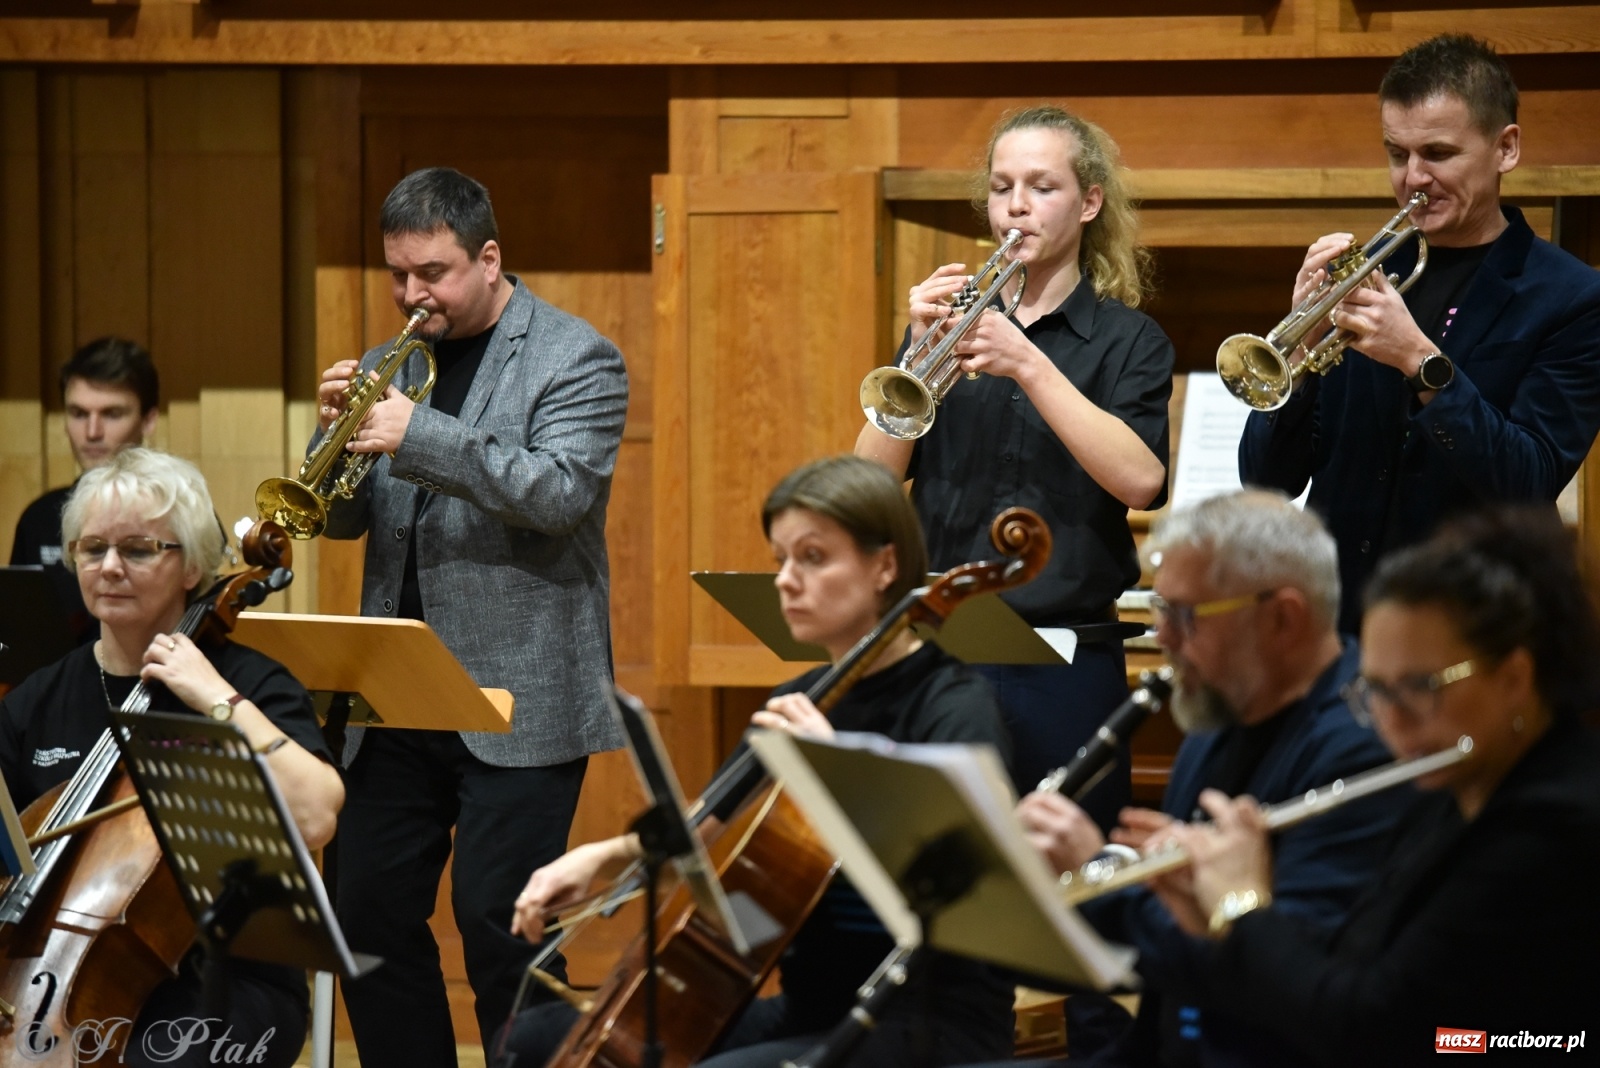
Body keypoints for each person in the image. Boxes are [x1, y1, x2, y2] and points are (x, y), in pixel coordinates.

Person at [497, 455, 1016, 1068]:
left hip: (930, 1017)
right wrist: (602, 858)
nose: (786, 580)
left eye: (814, 558)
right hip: (815, 1006)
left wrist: (841, 777)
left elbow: (973, 894)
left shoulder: (953, 706)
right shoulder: (797, 700)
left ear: (885, 566)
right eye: (781, 560)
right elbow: (701, 837)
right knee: (535, 1040)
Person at [313, 166, 629, 1066]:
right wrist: (328, 431)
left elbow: (560, 492)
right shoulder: (386, 364)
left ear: (489, 260)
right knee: (365, 915)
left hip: (517, 692)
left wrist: (415, 434)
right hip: (398, 697)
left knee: (502, 927)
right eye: (398, 276)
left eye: (435, 274)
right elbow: (336, 519)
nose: (414, 297)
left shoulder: (578, 358)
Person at [1149, 506, 1600, 1063]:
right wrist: (1216, 919)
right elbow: (1365, 961)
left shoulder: (1552, 827)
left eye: (1417, 687)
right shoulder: (1457, 789)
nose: (1392, 722)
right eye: (1375, 691)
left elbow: (1381, 1029)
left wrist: (1243, 911)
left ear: (1515, 677)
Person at [1000, 490, 1401, 1066]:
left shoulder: (1365, 749)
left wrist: (1101, 880)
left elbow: (1276, 974)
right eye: (1159, 611)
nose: (1161, 638)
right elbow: (1177, 966)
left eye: (1185, 616)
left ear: (1283, 617)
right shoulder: (1218, 715)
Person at [856, 104, 1173, 831]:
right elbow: (868, 487)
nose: (1016, 207)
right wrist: (914, 356)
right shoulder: (952, 330)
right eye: (1001, 188)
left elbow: (1140, 480)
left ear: (1090, 202)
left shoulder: (1130, 341)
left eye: (1041, 186)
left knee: (1064, 873)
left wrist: (1028, 363)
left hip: (1063, 660)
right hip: (943, 651)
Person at [1239, 33, 1600, 635]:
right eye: (1396, 153)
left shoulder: (1571, 298)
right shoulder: (1363, 274)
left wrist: (1421, 362)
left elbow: (1529, 482)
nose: (1414, 179)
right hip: (1339, 628)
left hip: (1467, 629)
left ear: (1505, 148)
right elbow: (1267, 480)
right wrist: (1297, 352)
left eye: (1438, 153)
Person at [0, 447, 344, 1067]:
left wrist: (213, 696)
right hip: (50, 966)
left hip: (228, 981)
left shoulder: (251, 683)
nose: (108, 567)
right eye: (91, 547)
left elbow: (317, 815)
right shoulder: (37, 698)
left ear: (192, 567)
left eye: (137, 550)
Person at [10, 338, 160, 642]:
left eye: (112, 414)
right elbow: (18, 640)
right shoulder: (39, 518)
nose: (92, 432)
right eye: (78, 414)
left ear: (148, 420)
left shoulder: (178, 516)